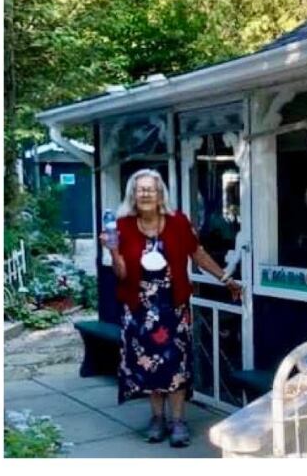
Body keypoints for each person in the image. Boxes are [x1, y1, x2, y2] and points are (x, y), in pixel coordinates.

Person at [100, 169, 241, 447]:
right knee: (149, 367)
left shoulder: (178, 223)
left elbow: (197, 253)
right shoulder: (123, 227)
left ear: (160, 193)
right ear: (133, 195)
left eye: (150, 189)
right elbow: (121, 274)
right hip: (139, 310)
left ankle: (178, 421)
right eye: (140, 189)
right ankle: (157, 419)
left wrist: (226, 278)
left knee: (175, 365)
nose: (145, 194)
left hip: (173, 308)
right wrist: (113, 251)